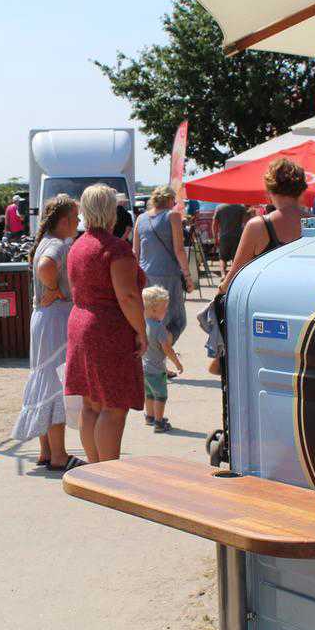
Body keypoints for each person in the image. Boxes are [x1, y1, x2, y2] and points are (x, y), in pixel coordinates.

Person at [65, 184, 147, 463]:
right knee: (114, 406)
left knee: (91, 403)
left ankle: (93, 467)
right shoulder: (116, 248)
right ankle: (109, 471)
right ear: (111, 210)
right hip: (108, 328)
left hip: (80, 323)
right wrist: (141, 331)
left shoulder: (77, 246)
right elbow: (128, 296)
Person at [213, 158, 307, 374]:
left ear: (269, 190)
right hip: (304, 316)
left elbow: (233, 279)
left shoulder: (259, 226)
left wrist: (218, 294)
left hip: (268, 318)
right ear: (301, 189)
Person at [13, 195, 84, 471]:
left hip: (43, 318)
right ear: (64, 221)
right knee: (56, 382)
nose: (78, 224)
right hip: (55, 317)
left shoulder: (45, 241)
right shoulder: (57, 244)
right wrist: (55, 290)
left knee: (45, 379)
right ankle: (59, 455)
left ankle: (46, 452)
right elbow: (46, 266)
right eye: (76, 219)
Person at [133, 186, 192, 368]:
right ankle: (158, 359)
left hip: (144, 276)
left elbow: (135, 251)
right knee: (178, 321)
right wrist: (188, 277)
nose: (175, 205)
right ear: (168, 201)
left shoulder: (141, 219)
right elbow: (179, 250)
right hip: (167, 276)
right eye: (174, 202)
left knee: (150, 321)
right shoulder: (172, 216)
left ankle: (151, 359)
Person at [141, 285, 183, 433]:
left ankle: (150, 417)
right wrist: (177, 363)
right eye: (164, 308)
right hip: (157, 369)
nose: (166, 311)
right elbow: (167, 349)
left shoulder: (143, 324)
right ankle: (159, 422)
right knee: (160, 396)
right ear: (154, 309)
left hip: (144, 367)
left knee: (149, 393)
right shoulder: (159, 328)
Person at [212, 203, 248, 278]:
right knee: (235, 258)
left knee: (222, 258)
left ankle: (223, 275)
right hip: (238, 236)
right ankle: (233, 275)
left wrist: (215, 237)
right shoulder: (241, 207)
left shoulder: (220, 207)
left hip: (223, 237)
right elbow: (246, 223)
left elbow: (214, 224)